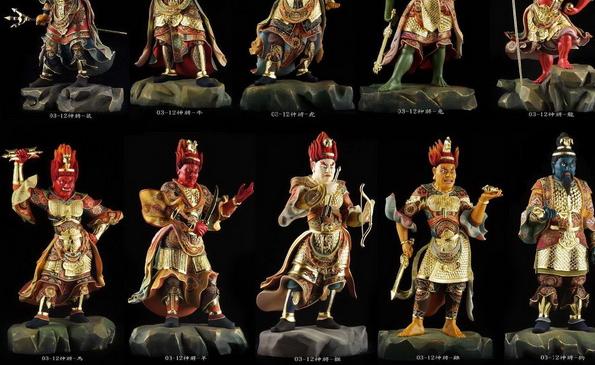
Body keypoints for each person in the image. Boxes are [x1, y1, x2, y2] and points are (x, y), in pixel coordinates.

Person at [128, 139, 253, 328]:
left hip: (195, 241)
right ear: (179, 169)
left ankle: (215, 313)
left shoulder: (203, 191)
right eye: (188, 170)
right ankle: (171, 314)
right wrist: (192, 225)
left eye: (195, 171)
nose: (193, 174)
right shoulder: (170, 188)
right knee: (172, 277)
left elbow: (217, 212)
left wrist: (236, 201)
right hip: (174, 238)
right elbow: (170, 210)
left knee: (208, 276)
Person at [386, 137, 501, 338]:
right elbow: (402, 217)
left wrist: (483, 201)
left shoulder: (460, 193)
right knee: (422, 281)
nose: (449, 175)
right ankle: (417, 323)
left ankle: (450, 323)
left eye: (452, 171)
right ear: (434, 171)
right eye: (444, 170)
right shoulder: (424, 191)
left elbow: (473, 222)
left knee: (457, 285)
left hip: (459, 246)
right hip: (436, 245)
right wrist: (404, 243)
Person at [257, 132, 371, 332]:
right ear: (313, 165)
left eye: (332, 165)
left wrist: (362, 216)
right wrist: (319, 194)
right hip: (313, 240)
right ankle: (287, 317)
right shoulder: (302, 183)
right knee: (296, 279)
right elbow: (290, 212)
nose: (329, 169)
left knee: (333, 281)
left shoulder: (340, 187)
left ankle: (324, 315)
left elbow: (349, 216)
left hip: (338, 240)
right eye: (323, 165)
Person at [8, 145, 122, 328]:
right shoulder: (47, 198)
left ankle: (77, 310)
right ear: (55, 180)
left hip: (82, 245)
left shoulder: (82, 199)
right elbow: (20, 192)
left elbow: (109, 215)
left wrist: (97, 235)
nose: (67, 185)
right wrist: (18, 165)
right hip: (59, 244)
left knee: (82, 279)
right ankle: (42, 314)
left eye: (71, 181)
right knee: (49, 277)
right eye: (63, 181)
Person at [518, 133, 595, 333]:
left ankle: (576, 318)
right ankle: (543, 317)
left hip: (577, 240)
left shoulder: (583, 187)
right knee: (549, 280)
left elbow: (589, 219)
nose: (568, 168)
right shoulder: (542, 185)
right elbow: (531, 211)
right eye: (564, 164)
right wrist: (542, 214)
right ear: (553, 165)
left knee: (577, 281)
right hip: (551, 240)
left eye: (572, 164)